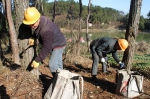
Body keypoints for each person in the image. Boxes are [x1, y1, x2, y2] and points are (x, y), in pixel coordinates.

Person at [23, 7, 66, 77]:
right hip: (57, 41)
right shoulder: (41, 20)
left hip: (59, 44)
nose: (31, 26)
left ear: (38, 19)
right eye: (30, 24)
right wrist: (34, 37)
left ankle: (58, 80)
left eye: (33, 23)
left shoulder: (46, 31)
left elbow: (46, 48)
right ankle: (63, 77)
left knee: (52, 64)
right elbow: (38, 30)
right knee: (58, 63)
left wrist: (37, 60)